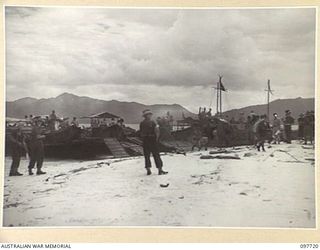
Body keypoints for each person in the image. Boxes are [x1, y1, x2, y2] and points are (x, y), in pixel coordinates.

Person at [140, 109, 168, 176]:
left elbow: (141, 132)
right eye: (149, 114)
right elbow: (157, 131)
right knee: (156, 155)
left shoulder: (142, 123)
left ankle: (148, 170)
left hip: (145, 140)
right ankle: (160, 170)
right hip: (152, 140)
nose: (150, 115)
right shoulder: (153, 122)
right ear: (147, 115)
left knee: (147, 155)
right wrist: (157, 139)